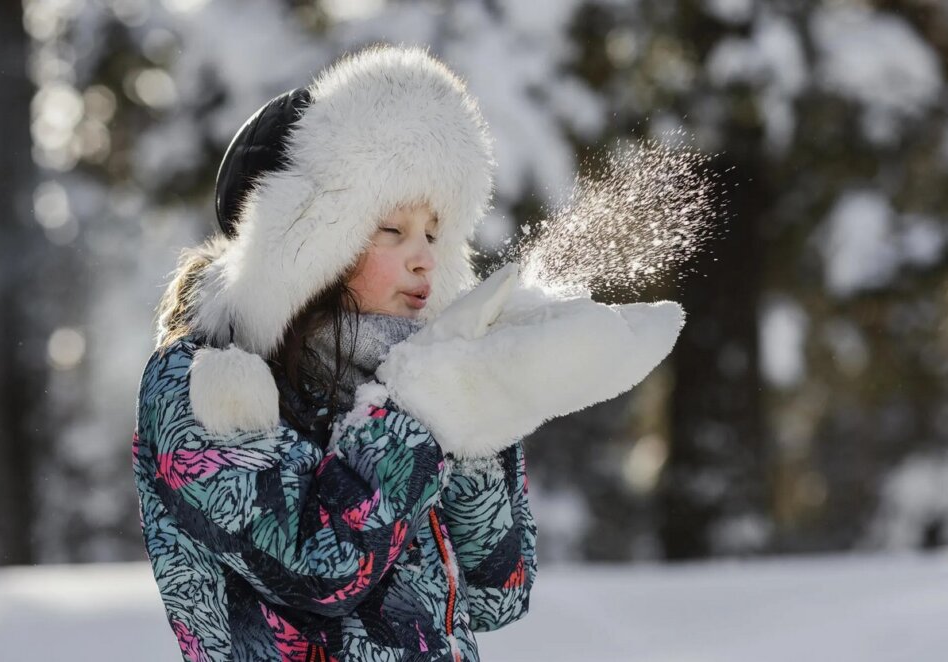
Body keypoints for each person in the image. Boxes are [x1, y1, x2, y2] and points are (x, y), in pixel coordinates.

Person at [133, 45, 685, 662]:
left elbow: (498, 593)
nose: (423, 256)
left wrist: (486, 396)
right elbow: (318, 568)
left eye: (433, 232)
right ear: (301, 245)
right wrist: (426, 408)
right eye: (392, 231)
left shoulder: (409, 374)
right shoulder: (202, 380)